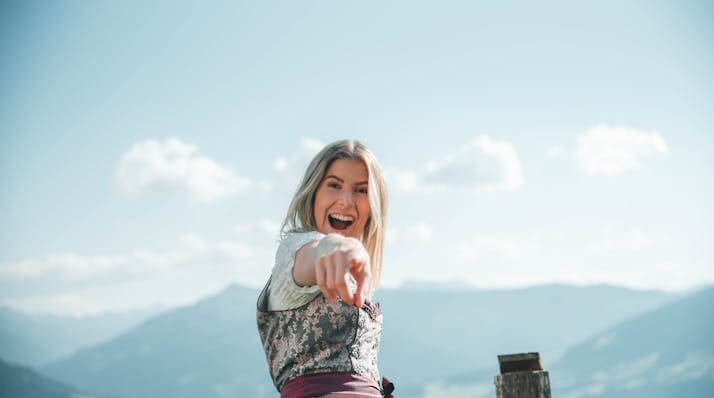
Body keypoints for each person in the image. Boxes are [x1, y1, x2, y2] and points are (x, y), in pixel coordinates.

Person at [256, 139, 395, 398]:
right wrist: (334, 247)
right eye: (334, 185)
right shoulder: (295, 250)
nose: (345, 200)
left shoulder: (353, 278)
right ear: (314, 193)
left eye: (361, 190)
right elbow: (314, 254)